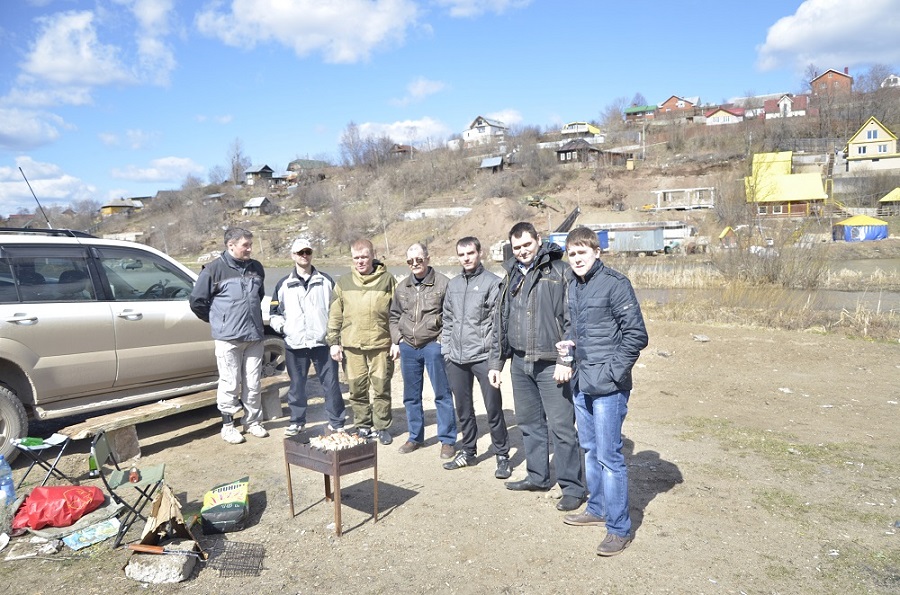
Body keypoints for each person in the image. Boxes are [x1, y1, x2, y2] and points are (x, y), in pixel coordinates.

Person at [556, 226, 648, 557]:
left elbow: (636, 335)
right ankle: (596, 507)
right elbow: (571, 328)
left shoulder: (616, 284)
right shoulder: (574, 287)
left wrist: (611, 373)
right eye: (571, 253)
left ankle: (619, 528)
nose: (576, 258)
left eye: (582, 252)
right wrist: (566, 358)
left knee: (610, 457)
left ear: (597, 252)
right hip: (582, 382)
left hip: (608, 387)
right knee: (590, 449)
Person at [487, 222, 586, 511]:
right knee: (530, 424)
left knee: (561, 428)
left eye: (526, 245)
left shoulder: (561, 272)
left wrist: (566, 359)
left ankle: (572, 487)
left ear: (538, 241)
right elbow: (500, 321)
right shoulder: (509, 276)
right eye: (516, 247)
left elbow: (573, 320)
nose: (522, 251)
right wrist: (496, 362)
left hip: (552, 365)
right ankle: (538, 475)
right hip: (519, 362)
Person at [441, 236, 511, 478]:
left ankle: (502, 455)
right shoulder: (453, 284)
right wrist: (446, 351)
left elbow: (498, 325)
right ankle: (468, 451)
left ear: (479, 253)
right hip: (456, 359)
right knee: (464, 409)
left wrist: (494, 362)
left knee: (493, 409)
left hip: (482, 358)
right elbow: (447, 320)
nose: (466, 258)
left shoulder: (493, 283)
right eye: (462, 254)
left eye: (470, 253)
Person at [190, 227, 268, 444]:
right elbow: (197, 301)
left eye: (250, 245)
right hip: (228, 338)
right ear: (231, 245)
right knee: (230, 382)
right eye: (246, 245)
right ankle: (228, 425)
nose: (250, 249)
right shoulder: (213, 270)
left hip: (254, 336)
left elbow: (258, 296)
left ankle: (252, 422)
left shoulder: (256, 268)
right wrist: (217, 321)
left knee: (253, 383)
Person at [269, 238, 346, 437]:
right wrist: (285, 328)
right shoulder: (282, 284)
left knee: (331, 385)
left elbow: (338, 310)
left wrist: (335, 338)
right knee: (297, 386)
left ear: (312, 254)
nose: (304, 255)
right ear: (293, 256)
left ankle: (337, 422)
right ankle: (297, 421)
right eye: (300, 252)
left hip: (322, 343)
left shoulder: (326, 280)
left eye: (308, 252)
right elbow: (274, 313)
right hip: (295, 344)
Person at [389, 243, 457, 458]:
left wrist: (440, 341)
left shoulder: (444, 284)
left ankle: (447, 440)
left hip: (433, 346)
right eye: (410, 261)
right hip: (408, 346)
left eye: (419, 259)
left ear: (428, 258)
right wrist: (397, 339)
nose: (415, 264)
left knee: (442, 394)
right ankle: (414, 437)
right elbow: (393, 316)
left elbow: (451, 316)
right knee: (411, 396)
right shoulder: (401, 288)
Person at [326, 239, 396, 445]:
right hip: (352, 345)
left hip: (381, 343)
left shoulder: (388, 280)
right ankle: (363, 426)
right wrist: (333, 342)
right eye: (356, 258)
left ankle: (382, 426)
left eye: (364, 257)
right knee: (357, 389)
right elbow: (335, 315)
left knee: (382, 387)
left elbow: (396, 313)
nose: (360, 261)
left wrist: (396, 340)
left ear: (373, 255)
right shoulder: (343, 282)